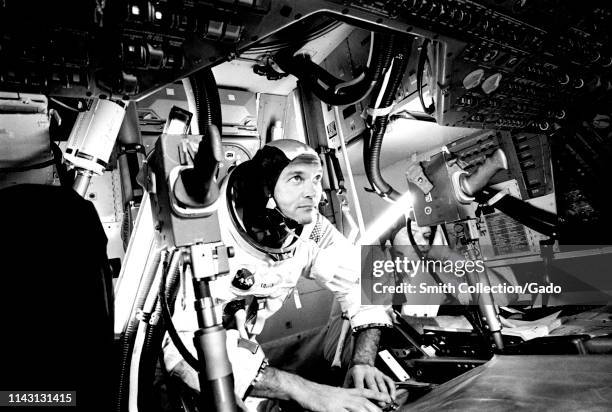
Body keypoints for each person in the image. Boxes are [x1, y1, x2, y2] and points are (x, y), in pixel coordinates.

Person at [163, 139, 396, 411]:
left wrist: (363, 360)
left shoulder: (310, 229)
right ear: (263, 190)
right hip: (187, 370)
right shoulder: (202, 230)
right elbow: (179, 350)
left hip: (247, 358)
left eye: (317, 178)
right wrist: (307, 391)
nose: (314, 193)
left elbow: (367, 277)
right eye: (297, 178)